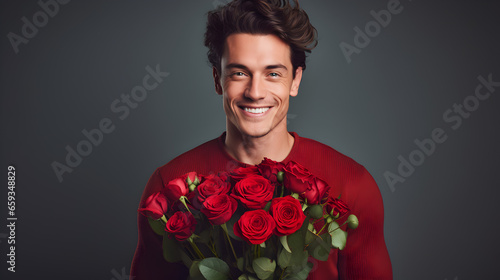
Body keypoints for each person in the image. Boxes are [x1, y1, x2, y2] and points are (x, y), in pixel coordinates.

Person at [130, 0, 393, 279]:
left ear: (295, 81)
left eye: (273, 74)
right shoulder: (170, 186)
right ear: (218, 79)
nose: (255, 92)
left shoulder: (352, 184)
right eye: (239, 73)